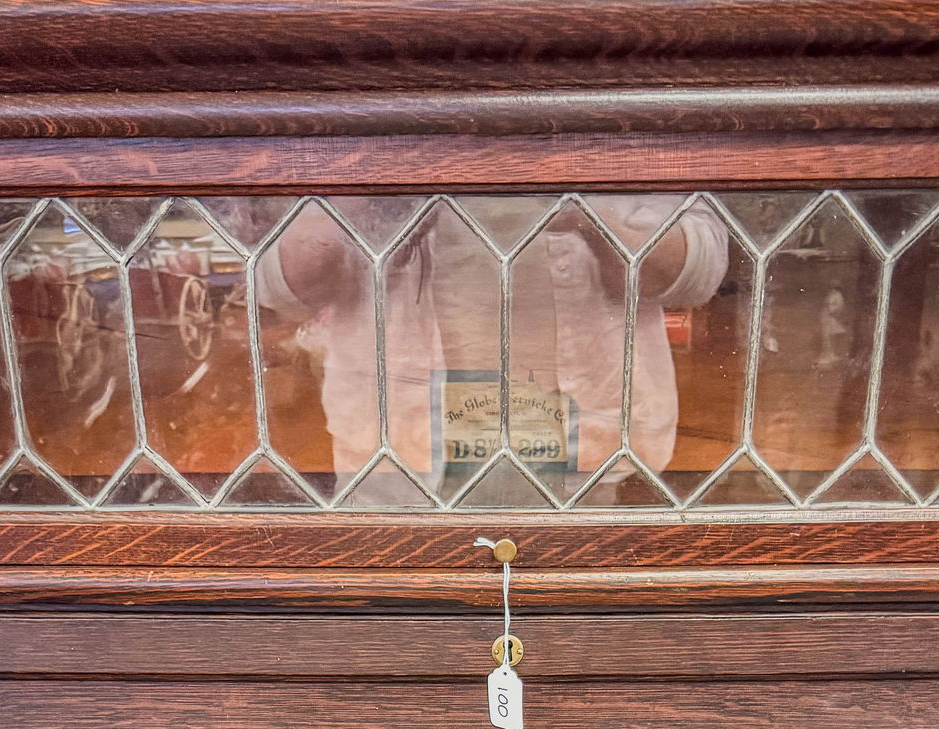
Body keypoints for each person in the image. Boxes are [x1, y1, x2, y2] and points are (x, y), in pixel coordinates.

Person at [254, 194, 729, 504]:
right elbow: (279, 289)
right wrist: (377, 190)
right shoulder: (358, 107)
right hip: (393, 477)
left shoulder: (621, 109)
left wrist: (588, 205)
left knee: (572, 635)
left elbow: (701, 273)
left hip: (590, 473)